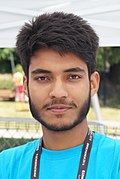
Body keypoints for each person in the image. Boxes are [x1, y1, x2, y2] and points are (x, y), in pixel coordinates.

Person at [0, 12, 120, 179]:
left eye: (73, 77)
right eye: (42, 78)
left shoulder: (116, 161)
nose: (58, 92)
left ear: (93, 83)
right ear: (26, 85)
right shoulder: (6, 165)